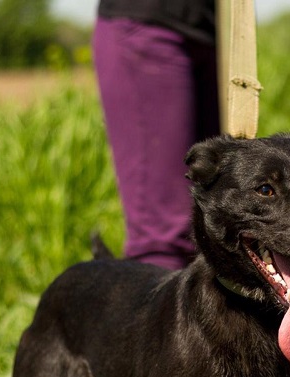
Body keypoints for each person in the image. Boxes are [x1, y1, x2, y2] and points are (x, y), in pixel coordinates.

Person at [93, 0, 219, 270]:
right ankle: (157, 311)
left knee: (217, 221)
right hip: (148, 24)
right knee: (163, 236)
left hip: (216, 32)